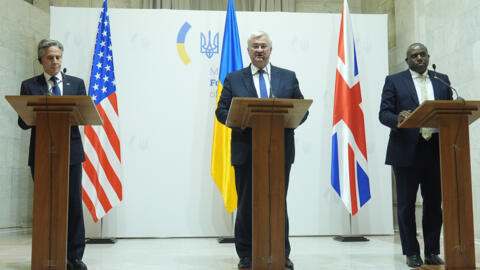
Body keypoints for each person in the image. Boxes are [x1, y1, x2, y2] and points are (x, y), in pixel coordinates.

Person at [215, 31, 308, 270]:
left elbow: (302, 109)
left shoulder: (288, 77)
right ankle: (246, 255)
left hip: (280, 152)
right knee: (247, 203)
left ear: (270, 50)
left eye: (263, 46)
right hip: (246, 151)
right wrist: (240, 120)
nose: (259, 50)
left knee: (278, 203)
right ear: (248, 51)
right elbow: (221, 111)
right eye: (255, 46)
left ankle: (281, 253)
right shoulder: (234, 78)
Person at [379, 43, 452, 268]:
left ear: (428, 57)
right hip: (406, 150)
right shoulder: (394, 80)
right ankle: (411, 252)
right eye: (414, 55)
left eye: (423, 55)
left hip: (435, 150)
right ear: (407, 60)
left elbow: (448, 110)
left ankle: (431, 251)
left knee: (433, 203)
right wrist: (398, 119)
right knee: (406, 204)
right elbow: (384, 113)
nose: (419, 58)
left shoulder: (442, 80)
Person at [18, 39, 88, 270]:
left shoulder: (76, 84)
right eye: (50, 57)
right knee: (45, 206)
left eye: (58, 57)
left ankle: (74, 257)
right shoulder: (30, 85)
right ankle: (45, 253)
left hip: (71, 155)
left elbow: (81, 118)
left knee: (73, 206)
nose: (55, 61)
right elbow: (23, 123)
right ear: (41, 60)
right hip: (42, 155)